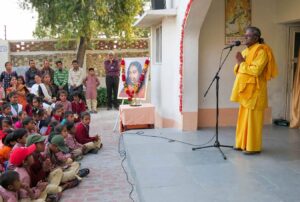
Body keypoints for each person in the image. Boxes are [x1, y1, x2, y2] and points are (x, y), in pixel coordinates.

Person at [230, 26, 278, 154]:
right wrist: (240, 63)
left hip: (256, 92)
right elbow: (237, 69)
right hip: (245, 90)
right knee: (243, 119)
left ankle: (253, 147)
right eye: (245, 35)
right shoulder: (246, 51)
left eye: (248, 35)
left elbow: (256, 71)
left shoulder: (262, 51)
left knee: (253, 121)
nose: (245, 37)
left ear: (256, 37)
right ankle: (241, 144)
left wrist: (242, 63)